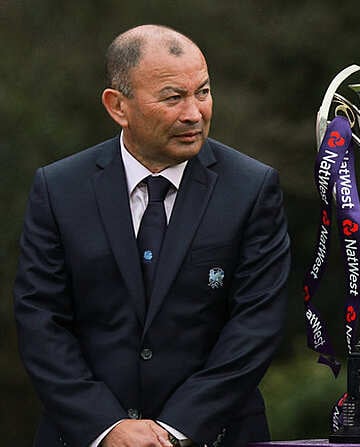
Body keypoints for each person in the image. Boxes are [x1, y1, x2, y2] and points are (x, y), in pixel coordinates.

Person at [14, 25, 290, 447]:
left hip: (215, 435)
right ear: (117, 106)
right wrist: (107, 427)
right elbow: (41, 320)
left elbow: (256, 325)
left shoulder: (252, 189)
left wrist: (175, 428)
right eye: (173, 97)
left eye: (203, 91)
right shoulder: (59, 189)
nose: (194, 113)